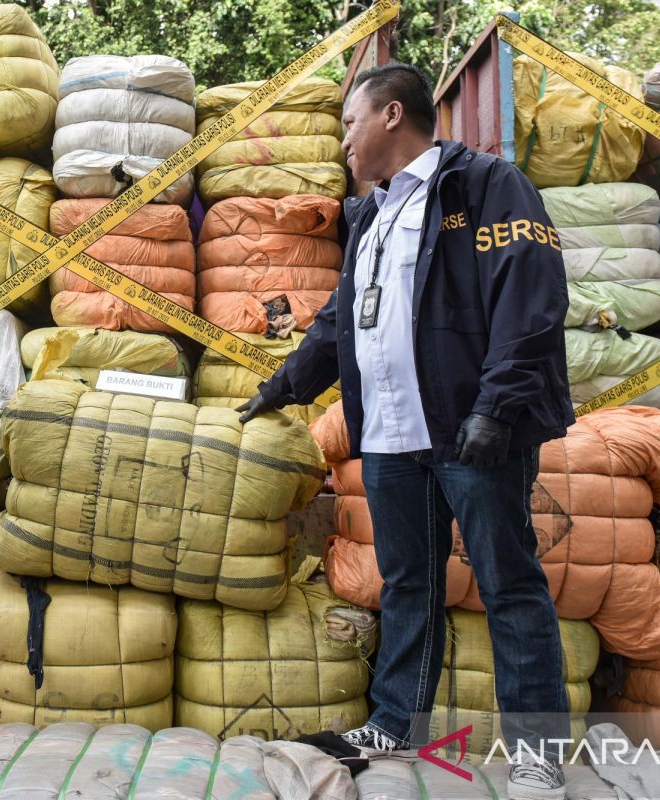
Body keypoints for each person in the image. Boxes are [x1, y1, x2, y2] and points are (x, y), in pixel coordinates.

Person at [237, 64, 573, 800]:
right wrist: (280, 387)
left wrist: (497, 407)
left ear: (391, 115)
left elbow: (533, 297)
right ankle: (396, 724)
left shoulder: (485, 186)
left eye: (350, 123)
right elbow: (338, 323)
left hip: (470, 430)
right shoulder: (373, 212)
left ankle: (538, 752)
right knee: (409, 584)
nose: (344, 141)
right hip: (388, 434)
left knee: (509, 582)